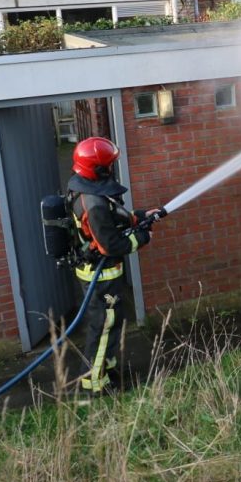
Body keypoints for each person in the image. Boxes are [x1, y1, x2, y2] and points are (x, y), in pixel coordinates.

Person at [66, 136, 160, 393]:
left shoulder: (86, 189)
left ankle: (106, 369)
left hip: (102, 274)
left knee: (110, 324)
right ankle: (94, 383)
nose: (111, 169)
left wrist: (141, 216)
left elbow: (112, 217)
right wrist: (142, 237)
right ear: (98, 168)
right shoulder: (92, 203)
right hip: (101, 276)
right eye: (108, 165)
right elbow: (111, 245)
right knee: (103, 326)